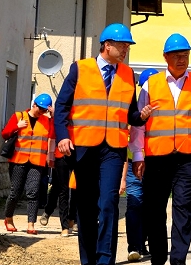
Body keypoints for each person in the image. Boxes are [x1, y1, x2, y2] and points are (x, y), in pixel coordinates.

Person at [54, 23, 144, 265]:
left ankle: (105, 259)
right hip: (83, 147)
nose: (126, 49)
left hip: (113, 149)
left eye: (128, 46)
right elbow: (61, 106)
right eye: (122, 45)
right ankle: (88, 260)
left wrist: (141, 116)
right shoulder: (79, 69)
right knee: (85, 207)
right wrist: (62, 136)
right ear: (107, 45)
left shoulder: (127, 75)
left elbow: (130, 114)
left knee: (109, 203)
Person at [131, 34, 191, 265]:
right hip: (157, 159)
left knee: (183, 211)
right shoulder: (150, 85)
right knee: (154, 212)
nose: (181, 59)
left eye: (185, 55)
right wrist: (138, 156)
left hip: (188, 158)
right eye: (176, 55)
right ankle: (158, 259)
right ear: (165, 57)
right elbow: (139, 125)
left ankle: (178, 261)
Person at [2, 93, 55, 234]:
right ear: (34, 105)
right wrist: (16, 127)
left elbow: (55, 134)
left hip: (37, 162)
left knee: (33, 192)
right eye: (41, 109)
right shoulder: (18, 116)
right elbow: (5, 134)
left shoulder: (47, 121)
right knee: (15, 192)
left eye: (45, 110)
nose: (43, 112)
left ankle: (31, 224)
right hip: (18, 160)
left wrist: (54, 115)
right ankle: (8, 218)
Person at [124, 68, 157, 262]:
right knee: (134, 204)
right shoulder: (134, 112)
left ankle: (143, 243)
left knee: (149, 206)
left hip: (154, 163)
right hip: (134, 164)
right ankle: (134, 246)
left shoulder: (163, 111)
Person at [40, 133, 77, 237]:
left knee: (76, 187)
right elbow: (52, 136)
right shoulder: (58, 117)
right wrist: (50, 155)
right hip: (61, 154)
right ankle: (64, 226)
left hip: (78, 153)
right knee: (62, 189)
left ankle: (73, 218)